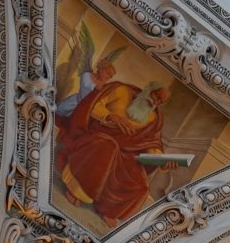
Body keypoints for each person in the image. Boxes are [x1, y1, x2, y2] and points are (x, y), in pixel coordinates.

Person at [55, 74, 173, 226]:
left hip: (125, 153)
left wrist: (163, 161)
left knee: (141, 184)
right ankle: (76, 190)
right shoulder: (121, 90)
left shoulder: (154, 119)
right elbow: (94, 105)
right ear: (149, 88)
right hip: (99, 135)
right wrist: (110, 116)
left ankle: (109, 210)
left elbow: (151, 144)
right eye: (156, 95)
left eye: (159, 101)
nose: (154, 102)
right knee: (107, 147)